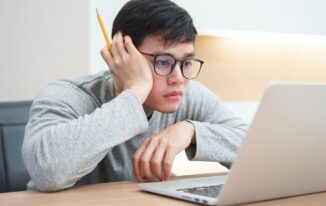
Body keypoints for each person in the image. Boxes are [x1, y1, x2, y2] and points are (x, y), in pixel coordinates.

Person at [22, 0, 248, 192]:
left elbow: (257, 148)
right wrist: (134, 93)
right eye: (162, 62)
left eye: (186, 62)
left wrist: (191, 130)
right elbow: (47, 170)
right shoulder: (67, 95)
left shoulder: (186, 95)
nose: (178, 77)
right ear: (123, 56)